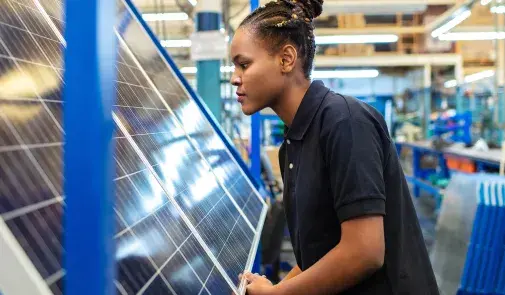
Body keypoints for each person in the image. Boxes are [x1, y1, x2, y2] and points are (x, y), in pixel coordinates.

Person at [229, 0, 440, 294]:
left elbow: (365, 252)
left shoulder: (345, 123)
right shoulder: (294, 143)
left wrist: (278, 294)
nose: (233, 77)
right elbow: (320, 251)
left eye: (244, 64)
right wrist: (276, 288)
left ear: (286, 59)